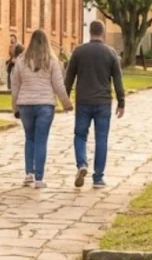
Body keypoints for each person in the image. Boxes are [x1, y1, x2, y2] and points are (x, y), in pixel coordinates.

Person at [64, 21, 125, 189]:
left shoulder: (79, 52)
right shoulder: (111, 53)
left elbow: (69, 77)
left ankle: (82, 163)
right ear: (103, 33)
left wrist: (65, 98)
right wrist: (121, 102)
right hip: (103, 102)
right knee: (101, 138)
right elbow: (118, 79)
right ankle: (98, 177)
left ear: (89, 32)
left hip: (83, 101)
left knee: (80, 135)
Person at [11, 29, 73, 189]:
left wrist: (15, 106)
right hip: (45, 105)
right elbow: (58, 85)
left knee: (29, 138)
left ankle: (28, 173)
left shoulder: (21, 60)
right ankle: (39, 178)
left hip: (25, 104)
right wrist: (66, 103)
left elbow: (15, 85)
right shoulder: (51, 60)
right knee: (41, 140)